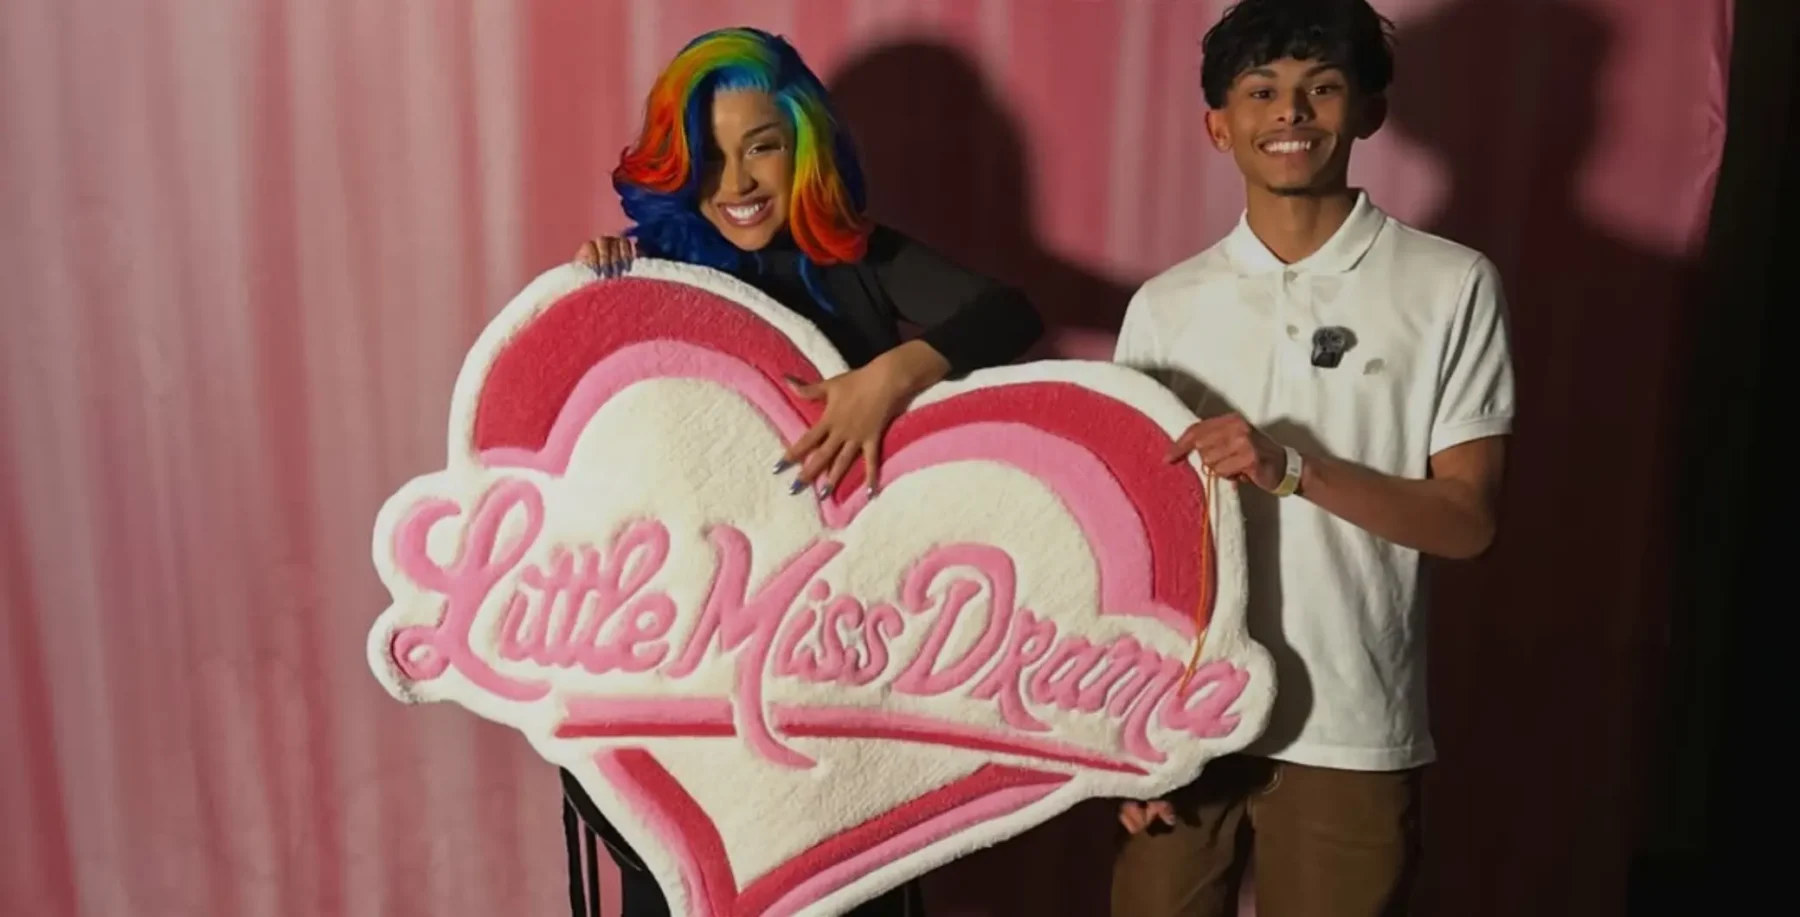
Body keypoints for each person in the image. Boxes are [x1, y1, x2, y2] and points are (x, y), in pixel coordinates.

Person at [561, 26, 1044, 917]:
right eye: (709, 156)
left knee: (838, 887)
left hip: (834, 654)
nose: (736, 183)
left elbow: (1007, 311)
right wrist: (600, 289)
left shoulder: (857, 258)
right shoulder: (656, 270)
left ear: (804, 147)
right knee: (676, 884)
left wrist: (889, 377)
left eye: (762, 148)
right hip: (688, 658)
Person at [1109, 2, 1514, 916]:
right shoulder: (1166, 305)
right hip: (1187, 722)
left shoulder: (1452, 285)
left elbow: (1468, 519)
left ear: (1367, 111)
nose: (1289, 113)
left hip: (1352, 724)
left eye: (1320, 88)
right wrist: (1123, 730)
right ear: (1220, 126)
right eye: (1261, 93)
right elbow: (1130, 542)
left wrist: (1292, 467)